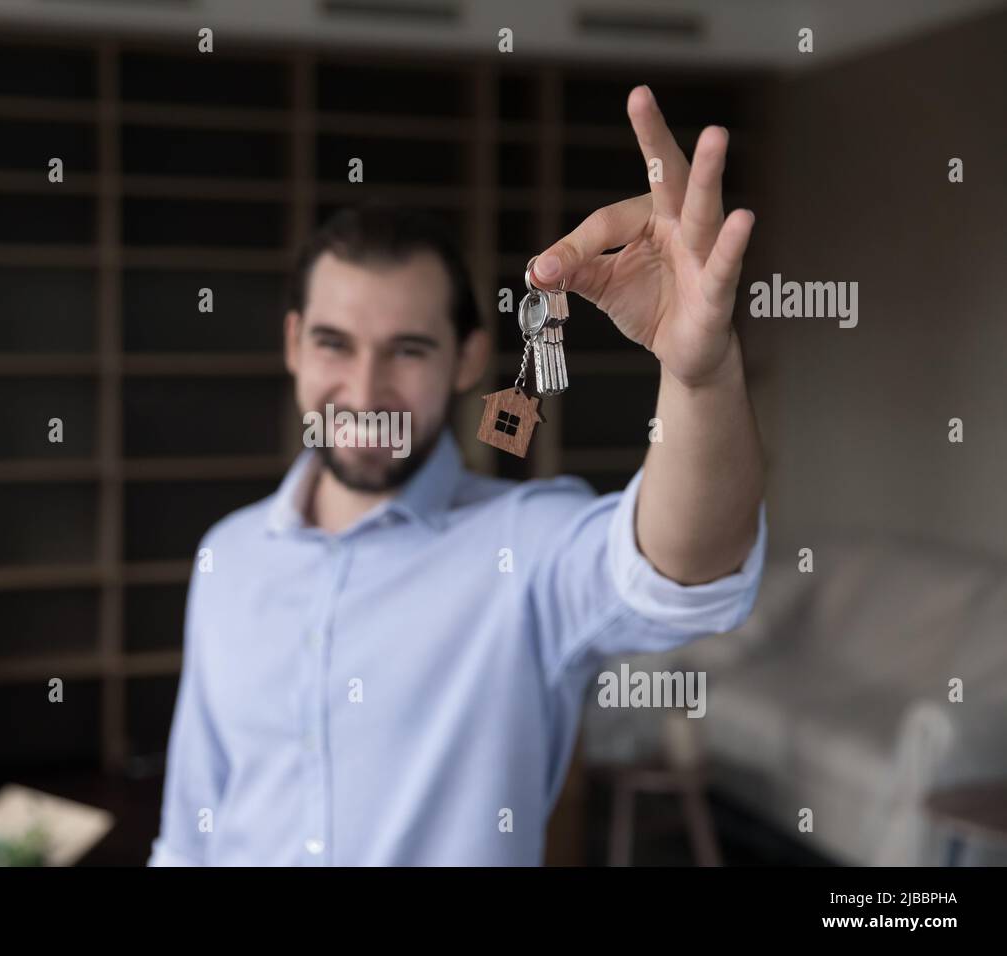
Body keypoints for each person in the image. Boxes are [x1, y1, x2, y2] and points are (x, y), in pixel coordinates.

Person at [148, 86, 767, 866]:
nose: (366, 391)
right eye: (336, 345)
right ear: (295, 345)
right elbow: (192, 826)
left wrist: (700, 379)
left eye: (407, 350)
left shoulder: (525, 547)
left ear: (468, 359)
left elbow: (686, 572)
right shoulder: (228, 556)